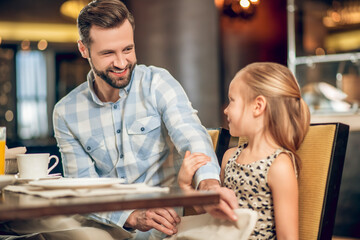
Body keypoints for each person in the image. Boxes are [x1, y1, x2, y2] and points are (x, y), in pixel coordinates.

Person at [50, 0, 238, 239]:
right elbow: (83, 188)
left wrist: (209, 186)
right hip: (100, 228)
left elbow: (192, 135)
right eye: (108, 53)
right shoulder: (66, 112)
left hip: (162, 230)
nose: (121, 63)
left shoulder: (158, 83)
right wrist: (132, 216)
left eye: (127, 49)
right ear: (84, 49)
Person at [178, 62, 310, 239]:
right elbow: (213, 212)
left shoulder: (279, 165)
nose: (226, 110)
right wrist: (186, 187)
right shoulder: (230, 157)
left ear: (258, 106)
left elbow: (288, 237)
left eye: (232, 100)